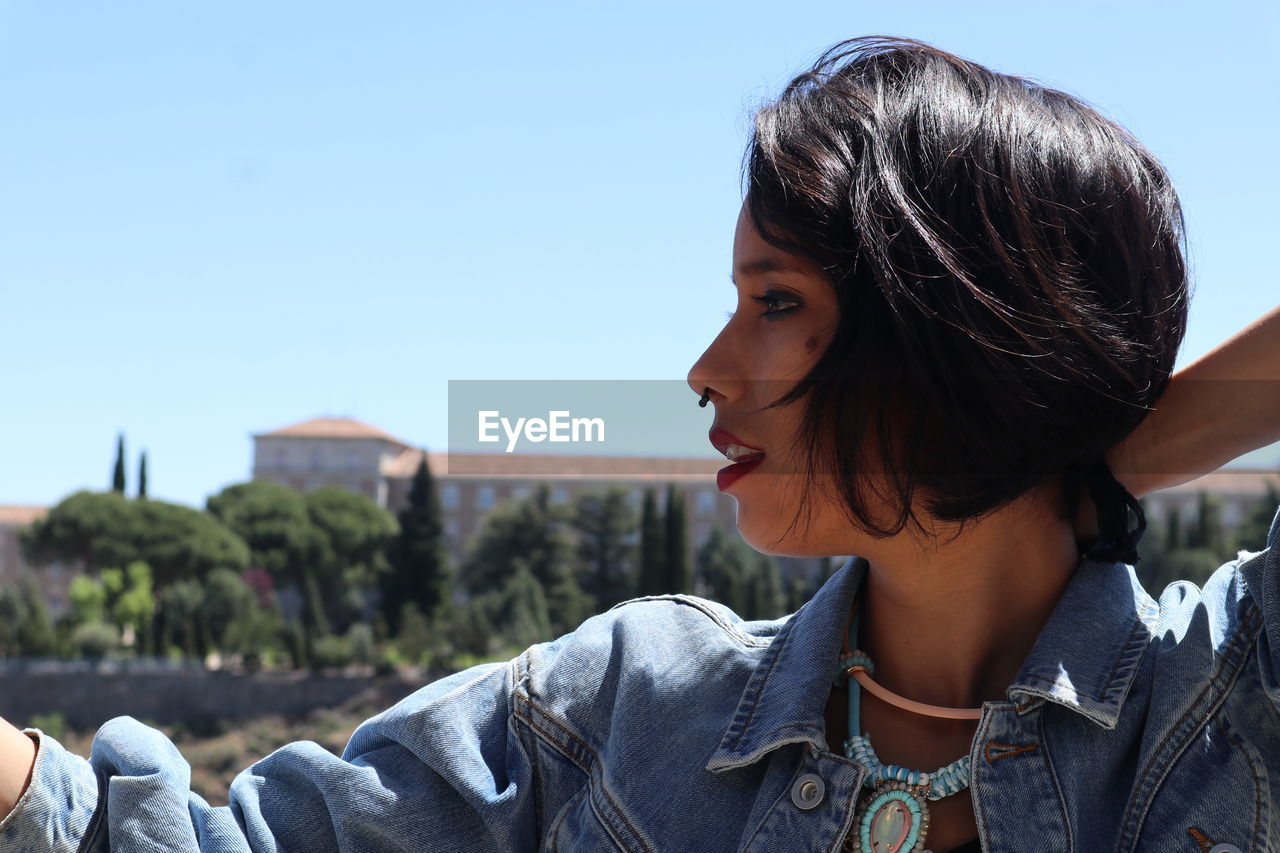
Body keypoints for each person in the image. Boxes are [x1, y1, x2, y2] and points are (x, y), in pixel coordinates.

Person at [1, 36, 1278, 852]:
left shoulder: (1232, 699)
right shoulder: (622, 706)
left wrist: (1102, 434)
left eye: (775, 304)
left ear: (961, 331)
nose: (706, 371)